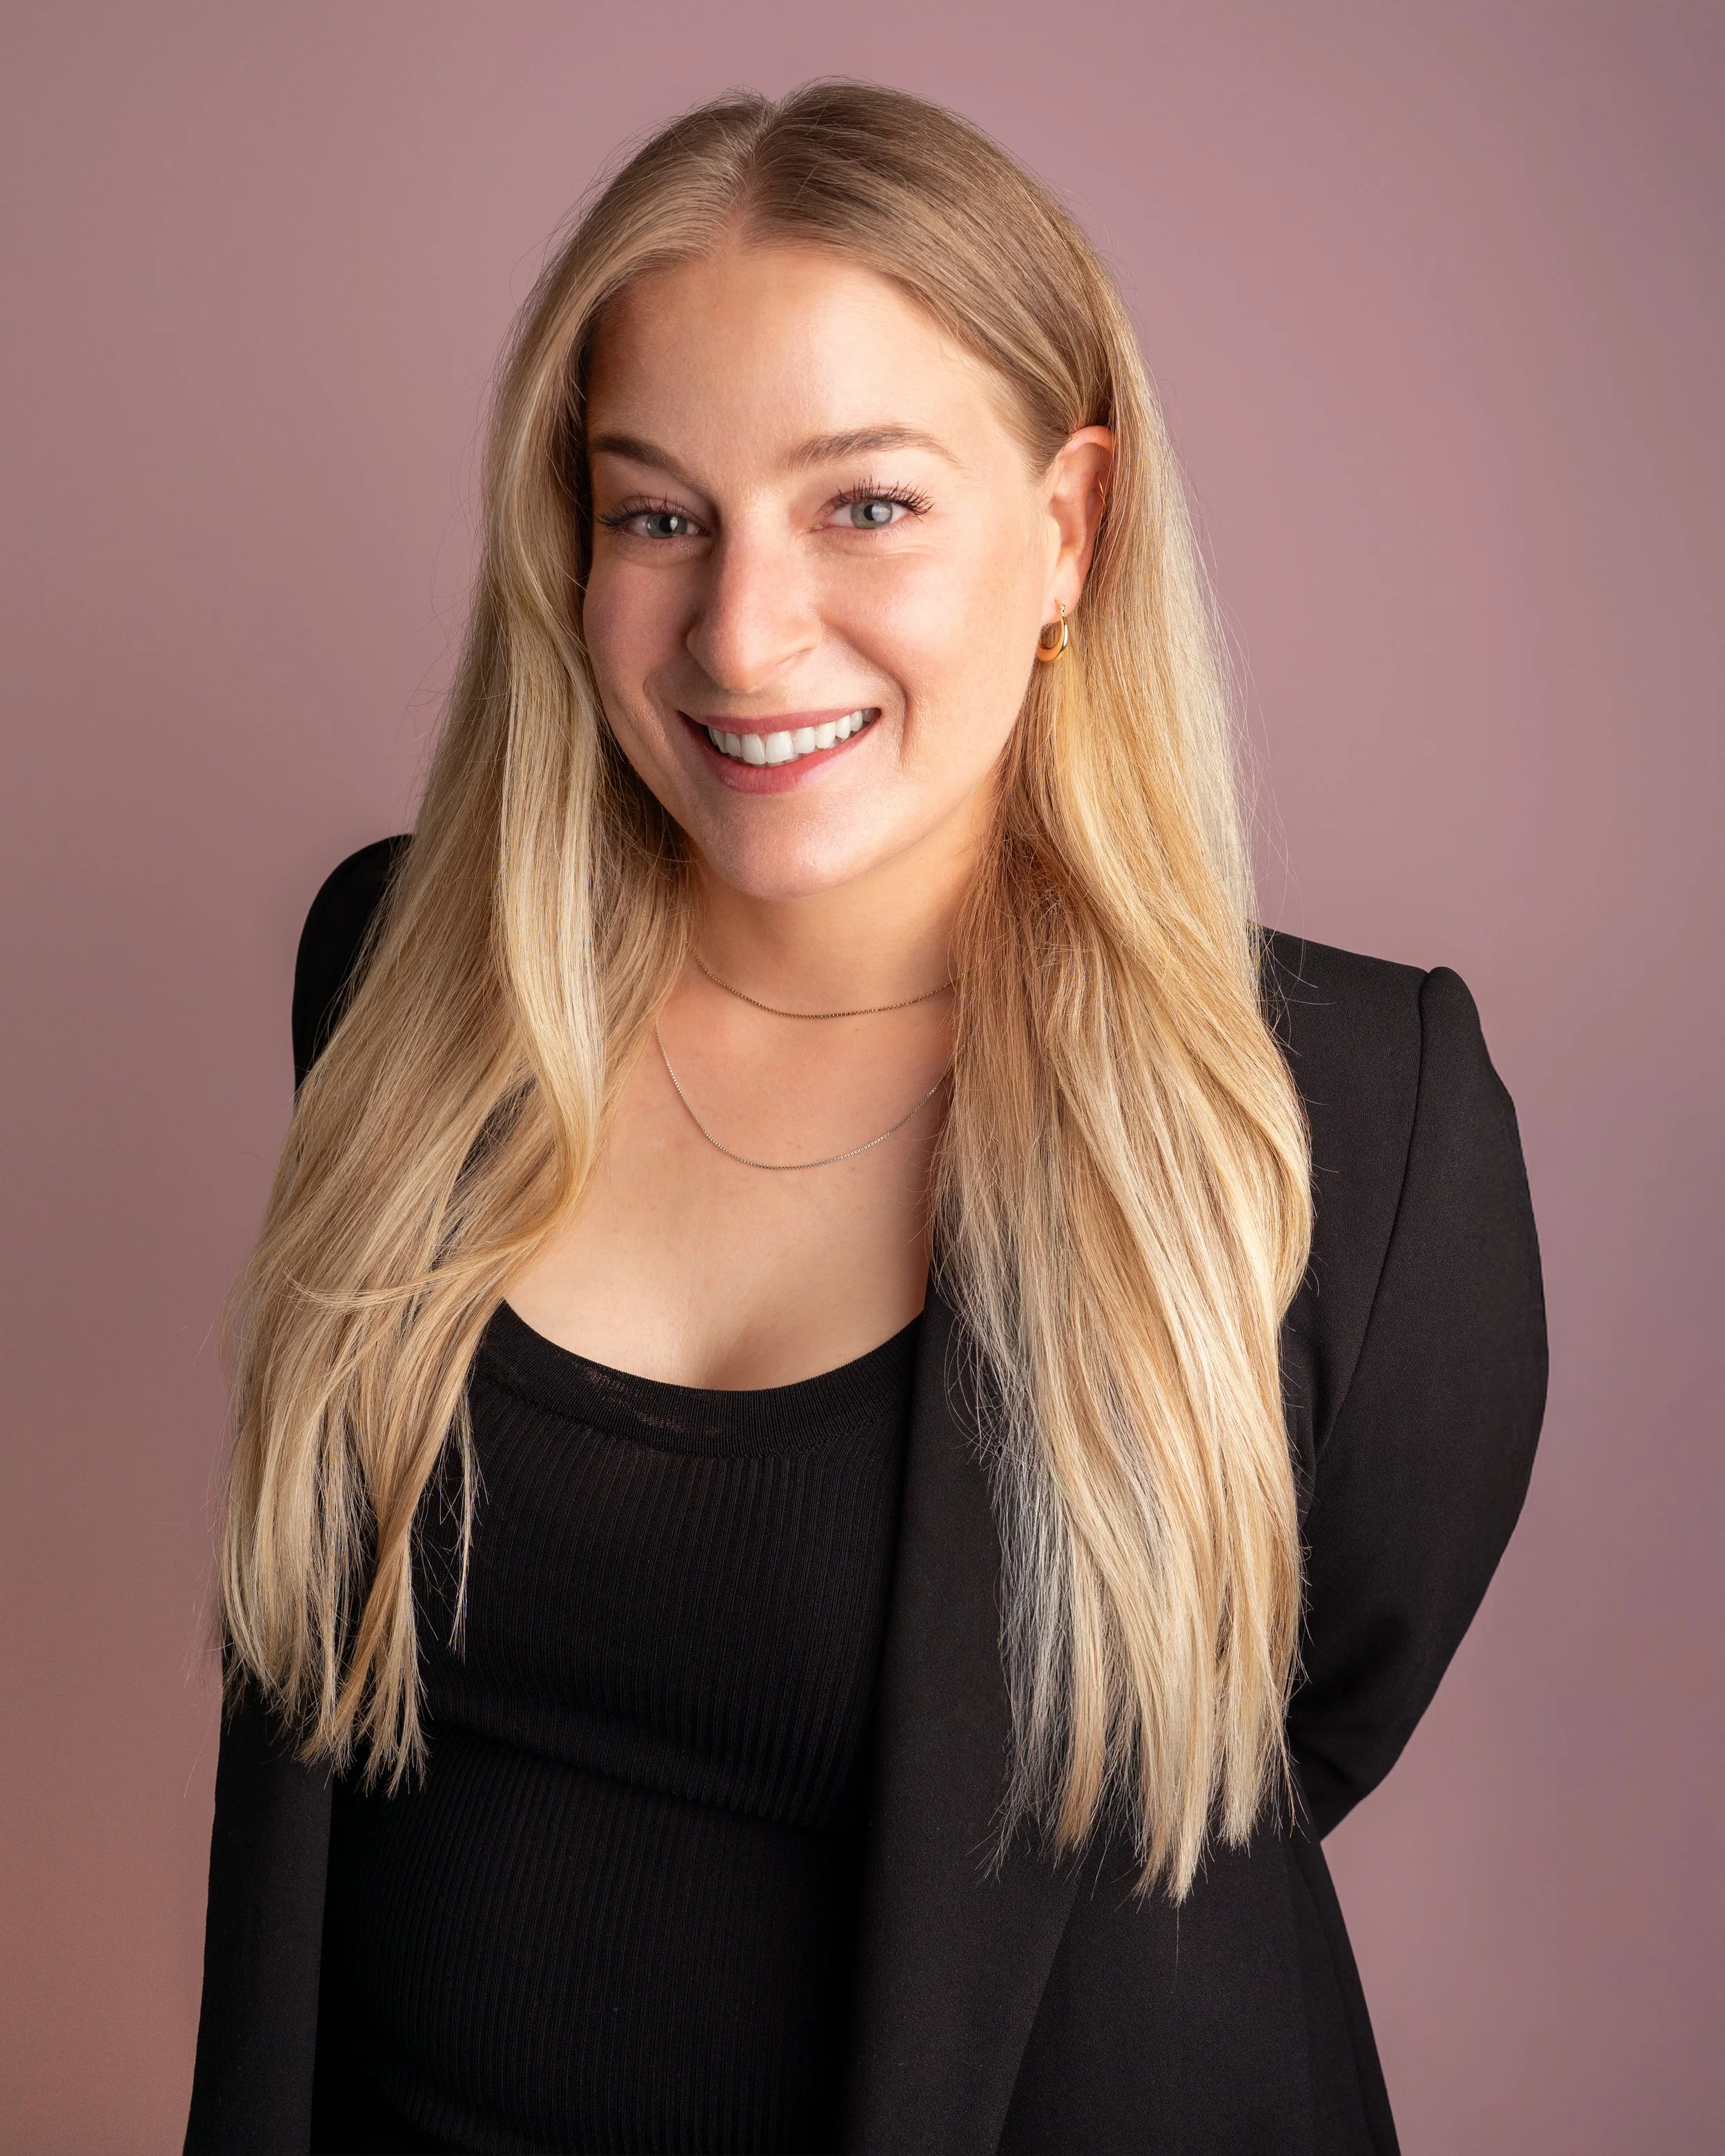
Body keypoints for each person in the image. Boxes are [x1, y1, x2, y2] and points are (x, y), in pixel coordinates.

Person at [184, 81, 1546, 2156]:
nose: (741, 635)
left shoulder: (1341, 1123)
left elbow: (1279, 1751)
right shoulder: (401, 982)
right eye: (657, 515)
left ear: (1070, 524)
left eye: (867, 505)